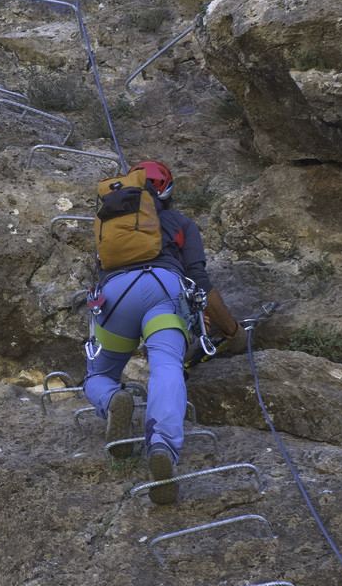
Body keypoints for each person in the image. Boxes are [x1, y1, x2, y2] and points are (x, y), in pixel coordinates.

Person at [82, 160, 240, 503]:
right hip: (163, 288)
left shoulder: (109, 226)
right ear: (167, 193)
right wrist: (229, 328)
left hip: (115, 296)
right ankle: (162, 446)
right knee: (166, 364)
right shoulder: (181, 223)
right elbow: (199, 281)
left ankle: (113, 401)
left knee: (99, 374)